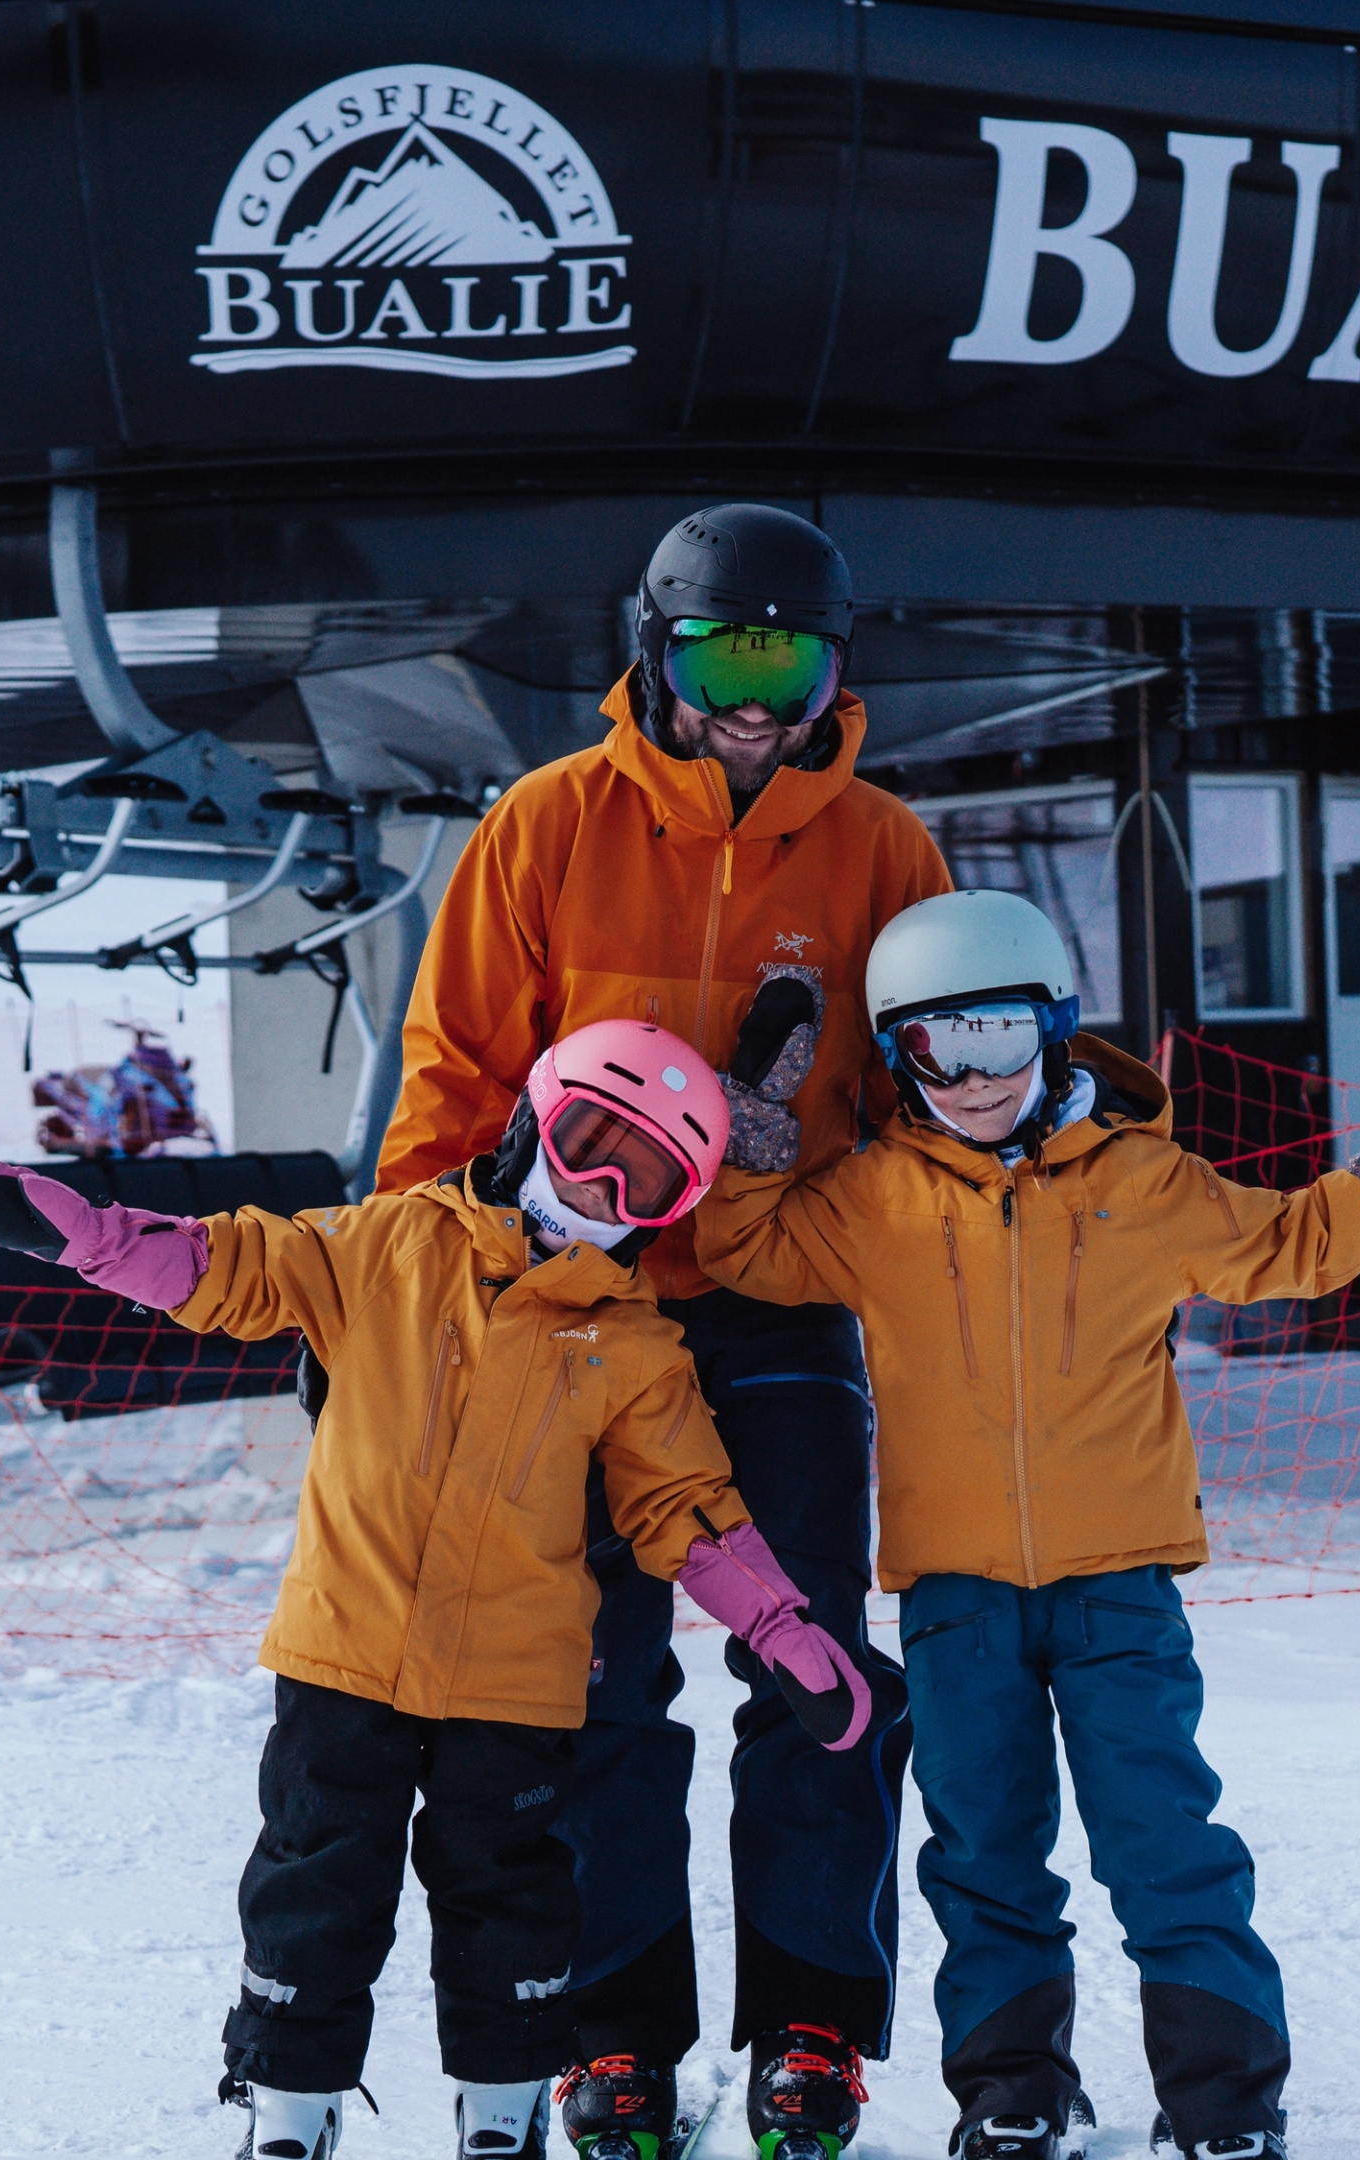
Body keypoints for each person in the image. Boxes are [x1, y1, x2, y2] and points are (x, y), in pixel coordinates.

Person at [0, 1020, 886, 2160]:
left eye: (640, 1177)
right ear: (536, 1120)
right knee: (314, 1886)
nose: (598, 1185)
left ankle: (500, 2121)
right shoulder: (388, 1245)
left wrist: (782, 1628)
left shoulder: (635, 1347)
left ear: (667, 1207)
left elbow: (685, 1507)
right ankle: (290, 2116)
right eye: (592, 1140)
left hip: (513, 1686)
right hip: (347, 1652)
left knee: (512, 1905)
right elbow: (239, 1266)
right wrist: (98, 1241)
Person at [691, 890, 1360, 2160]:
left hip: (1122, 1588)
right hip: (957, 1595)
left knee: (1164, 1842)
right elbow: (746, 1250)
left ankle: (1225, 2103)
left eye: (998, 1039)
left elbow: (1291, 1244)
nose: (970, 1080)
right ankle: (1013, 2091)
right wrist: (757, 1118)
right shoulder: (872, 1199)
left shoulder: (1146, 1182)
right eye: (933, 1049)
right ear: (899, 1059)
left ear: (1057, 1032)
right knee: (984, 1855)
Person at [377, 504, 951, 2158]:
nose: (756, 695)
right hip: (581, 1315)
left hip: (781, 1312)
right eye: (725, 653)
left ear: (836, 664)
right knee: (598, 1685)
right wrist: (436, 1283)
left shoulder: (885, 852)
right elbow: (454, 1068)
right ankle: (613, 2036)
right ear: (660, 648)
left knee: (817, 1671)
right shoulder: (547, 824)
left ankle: (815, 2033)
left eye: (792, 656)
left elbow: (928, 1104)